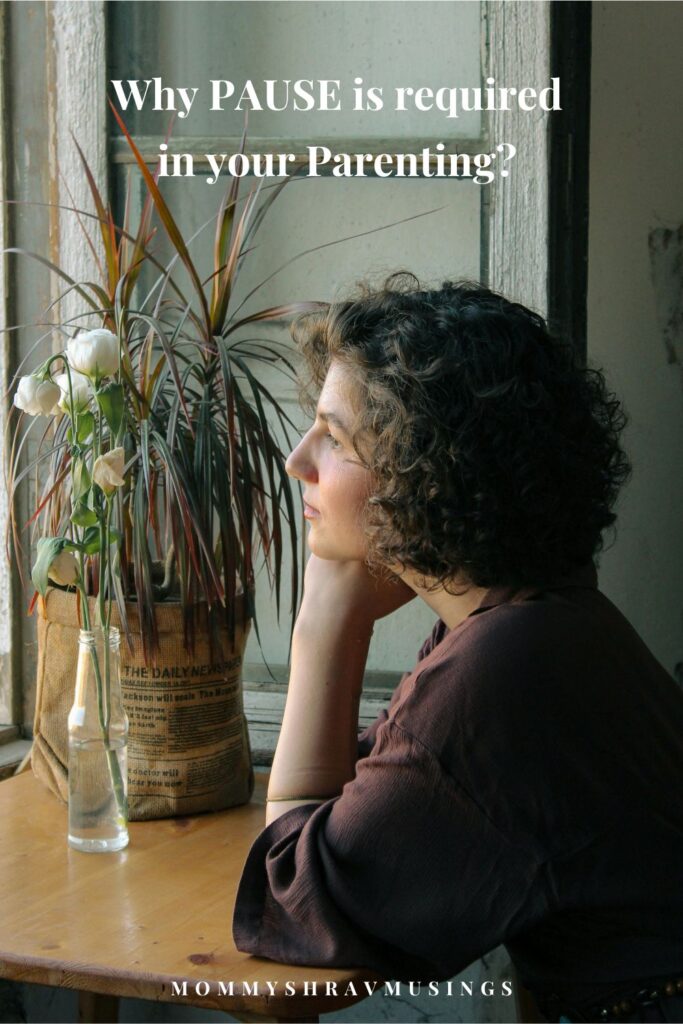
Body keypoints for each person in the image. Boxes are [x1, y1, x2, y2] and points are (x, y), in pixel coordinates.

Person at [232, 274, 683, 1024]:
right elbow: (363, 802)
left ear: (427, 472)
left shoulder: (506, 669)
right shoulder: (534, 626)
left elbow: (294, 900)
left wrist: (324, 628)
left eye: (334, 437)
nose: (297, 461)